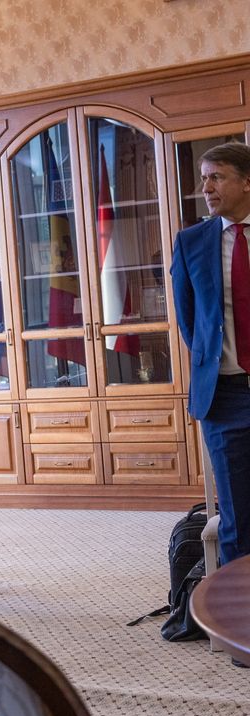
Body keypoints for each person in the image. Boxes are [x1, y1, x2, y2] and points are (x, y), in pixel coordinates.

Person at [171, 142, 250, 570]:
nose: (206, 187)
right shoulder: (191, 243)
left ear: (246, 182)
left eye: (216, 177)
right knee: (237, 517)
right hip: (225, 395)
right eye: (203, 178)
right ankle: (241, 607)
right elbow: (190, 322)